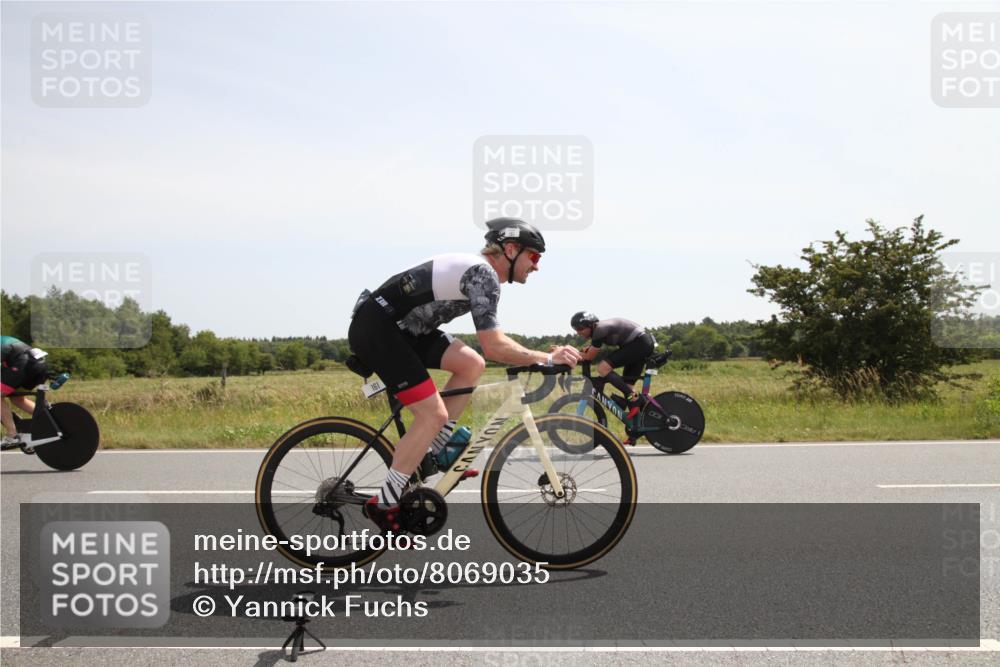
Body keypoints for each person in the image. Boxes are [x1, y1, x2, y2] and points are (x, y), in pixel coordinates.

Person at [348, 218, 581, 531]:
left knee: (471, 364)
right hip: (379, 329)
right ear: (510, 250)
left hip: (404, 330)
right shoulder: (482, 274)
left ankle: (436, 452)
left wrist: (539, 358)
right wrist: (546, 357)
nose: (536, 266)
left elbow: (486, 351)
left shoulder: (480, 273)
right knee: (433, 415)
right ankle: (386, 503)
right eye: (534, 257)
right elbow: (494, 345)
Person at [570, 312, 656, 442]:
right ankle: (636, 429)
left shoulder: (599, 329)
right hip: (639, 344)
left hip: (640, 344)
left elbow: (590, 356)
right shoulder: (599, 331)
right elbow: (590, 351)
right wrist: (582, 352)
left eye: (580, 328)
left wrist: (565, 353)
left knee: (603, 368)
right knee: (627, 386)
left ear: (590, 325)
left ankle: (636, 399)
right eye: (576, 330)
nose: (578, 332)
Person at [1, 335, 50, 447]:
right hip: (39, 365)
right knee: (17, 398)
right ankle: (49, 423)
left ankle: (12, 436)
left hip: (25, 365)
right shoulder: (4, 339)